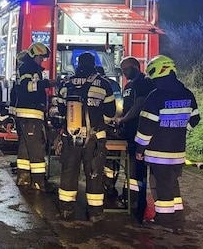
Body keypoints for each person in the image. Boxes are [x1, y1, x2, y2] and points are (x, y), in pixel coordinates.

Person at [135, 55, 200, 234]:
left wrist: (140, 149)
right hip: (177, 152)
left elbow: (146, 127)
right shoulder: (188, 94)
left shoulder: (155, 97)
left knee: (160, 187)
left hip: (158, 152)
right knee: (172, 185)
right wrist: (178, 130)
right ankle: (177, 220)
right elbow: (195, 119)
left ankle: (165, 221)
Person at [56, 52, 116, 223]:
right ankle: (95, 213)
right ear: (94, 64)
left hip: (71, 136)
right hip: (95, 138)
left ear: (78, 64)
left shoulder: (66, 82)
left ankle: (66, 211)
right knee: (94, 174)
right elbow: (111, 112)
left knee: (69, 173)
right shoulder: (104, 84)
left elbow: (60, 109)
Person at [114, 57, 156, 221]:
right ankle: (130, 198)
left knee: (139, 171)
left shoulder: (144, 83)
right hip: (129, 133)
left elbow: (138, 106)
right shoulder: (129, 85)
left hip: (141, 133)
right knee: (131, 169)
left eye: (126, 69)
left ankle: (139, 204)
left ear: (135, 67)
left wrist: (123, 119)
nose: (124, 73)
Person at [14, 42, 57, 191]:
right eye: (41, 57)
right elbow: (28, 87)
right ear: (34, 55)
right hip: (30, 113)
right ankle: (38, 181)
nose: (42, 61)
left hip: (26, 113)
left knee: (26, 147)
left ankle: (23, 177)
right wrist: (47, 83)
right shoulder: (29, 68)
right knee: (37, 147)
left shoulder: (27, 67)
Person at [94, 65, 123, 200]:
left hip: (93, 129)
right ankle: (109, 186)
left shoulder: (89, 84)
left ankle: (97, 185)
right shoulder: (111, 84)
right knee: (111, 159)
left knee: (94, 158)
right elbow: (118, 108)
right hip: (109, 129)